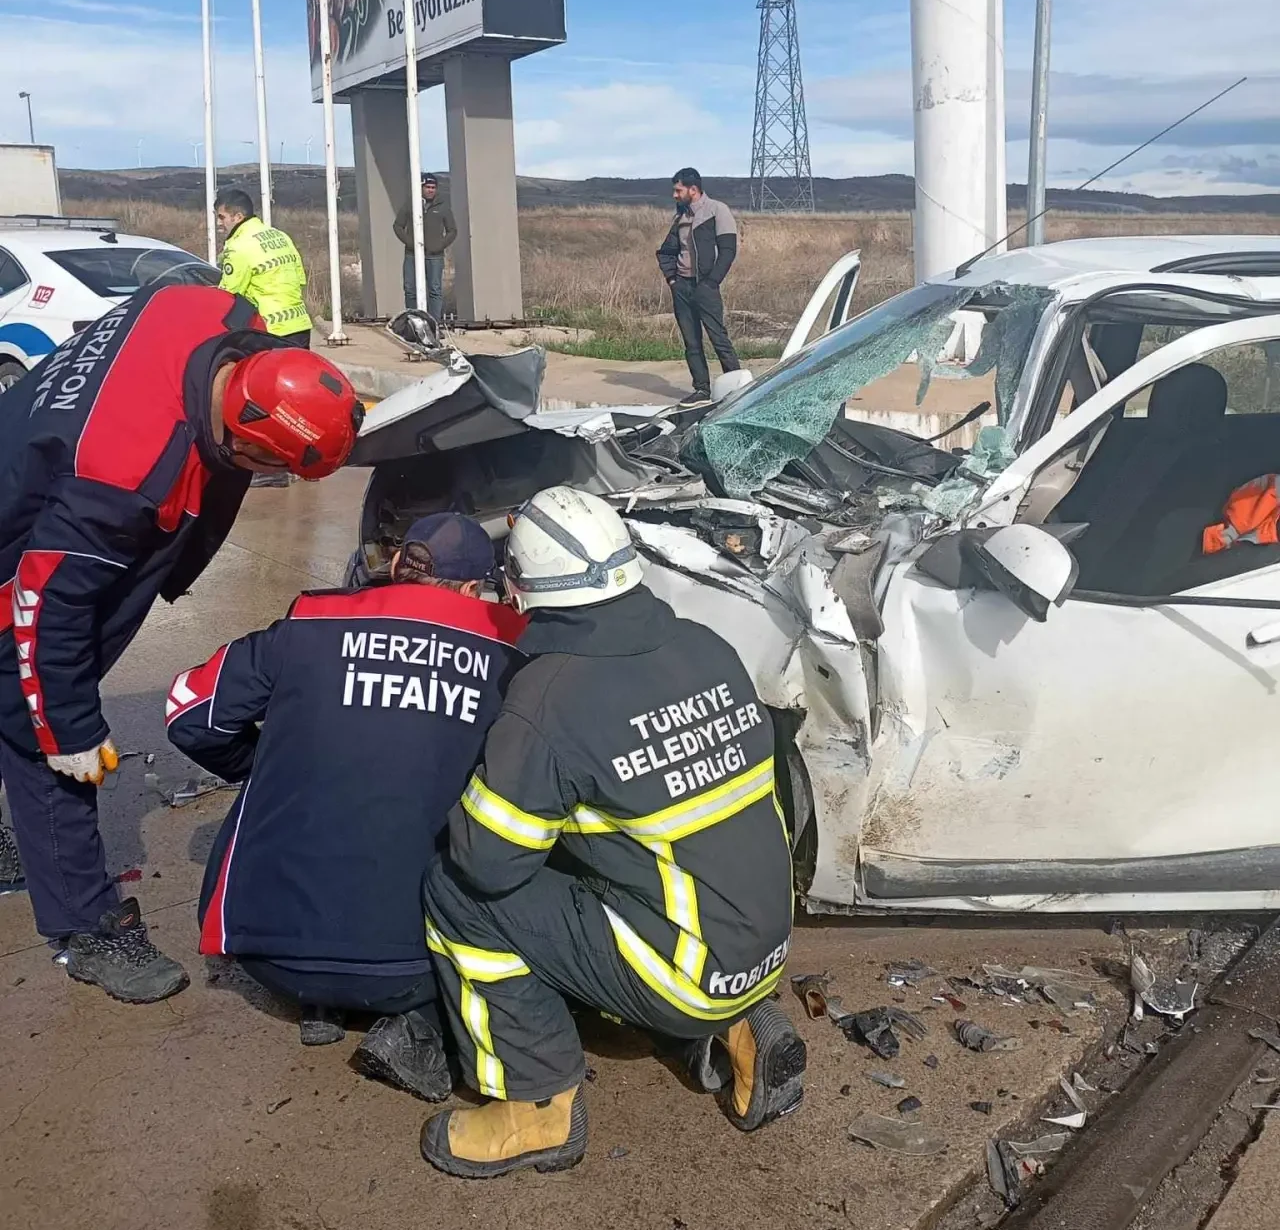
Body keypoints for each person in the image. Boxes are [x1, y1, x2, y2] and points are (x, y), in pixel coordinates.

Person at [420, 486, 803, 1179]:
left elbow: (486, 863)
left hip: (687, 970)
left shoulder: (554, 693)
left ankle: (534, 1109)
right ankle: (739, 1028)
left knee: (454, 897)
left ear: (521, 588)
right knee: (627, 858)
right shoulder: (707, 645)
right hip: (765, 943)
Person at [0, 283, 363, 1004]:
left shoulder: (222, 315)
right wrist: (66, 726)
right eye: (273, 468)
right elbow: (45, 607)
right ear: (244, 440)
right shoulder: (121, 474)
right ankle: (86, 927)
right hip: (24, 532)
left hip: (36, 458)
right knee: (38, 723)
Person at [167, 513, 525, 1100]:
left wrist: (266, 761)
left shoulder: (307, 622)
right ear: (470, 589)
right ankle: (416, 1025)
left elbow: (184, 714)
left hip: (266, 957)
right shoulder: (508, 651)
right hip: (411, 973)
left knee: (280, 781)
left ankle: (323, 1001)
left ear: (394, 566)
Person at [656, 168, 741, 406]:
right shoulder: (680, 217)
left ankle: (737, 389)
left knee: (718, 338)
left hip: (706, 286)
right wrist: (672, 280)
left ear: (693, 189)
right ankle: (701, 389)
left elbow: (728, 251)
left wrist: (711, 282)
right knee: (691, 342)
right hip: (682, 287)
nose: (674, 195)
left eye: (678, 190)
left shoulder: (717, 210)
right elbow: (666, 252)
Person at [215, 188, 313, 348]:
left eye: (222, 217)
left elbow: (228, 295)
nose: (219, 223)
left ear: (238, 217)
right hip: (300, 326)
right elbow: (300, 279)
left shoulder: (238, 246)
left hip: (269, 331)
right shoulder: (281, 236)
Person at [395, 173, 457, 321]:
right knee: (410, 289)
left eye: (433, 187)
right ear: (421, 188)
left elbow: (452, 230)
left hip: (434, 256)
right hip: (412, 254)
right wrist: (410, 242)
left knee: (434, 290)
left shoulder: (443, 207)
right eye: (427, 187)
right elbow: (398, 225)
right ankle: (413, 321)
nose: (430, 190)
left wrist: (439, 245)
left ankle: (434, 323)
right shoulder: (411, 204)